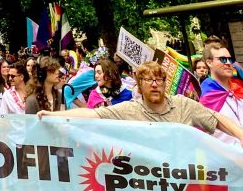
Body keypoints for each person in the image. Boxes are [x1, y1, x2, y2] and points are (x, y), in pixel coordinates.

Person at [37, 61, 243, 144]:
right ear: (139, 84)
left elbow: (217, 119)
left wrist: (241, 137)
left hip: (184, 188)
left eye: (159, 80)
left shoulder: (183, 105)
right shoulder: (130, 109)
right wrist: (54, 116)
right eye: (148, 80)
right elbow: (93, 114)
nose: (154, 85)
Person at [199, 39, 243, 144]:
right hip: (227, 157)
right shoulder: (206, 98)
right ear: (209, 63)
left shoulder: (238, 89)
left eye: (229, 59)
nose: (228, 63)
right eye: (222, 59)